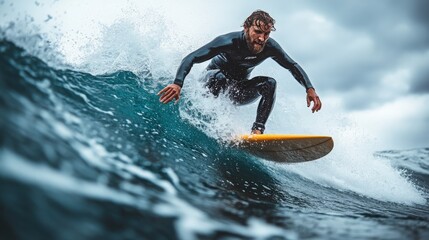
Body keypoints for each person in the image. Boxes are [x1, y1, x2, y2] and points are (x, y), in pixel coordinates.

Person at [158, 10, 322, 134]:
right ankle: (214, 122)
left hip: (237, 91)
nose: (262, 38)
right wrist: (178, 83)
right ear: (246, 28)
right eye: (258, 32)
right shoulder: (228, 41)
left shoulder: (270, 47)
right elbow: (192, 57)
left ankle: (257, 131)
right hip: (211, 84)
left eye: (266, 33)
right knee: (221, 78)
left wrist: (309, 88)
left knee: (269, 83)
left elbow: (291, 65)